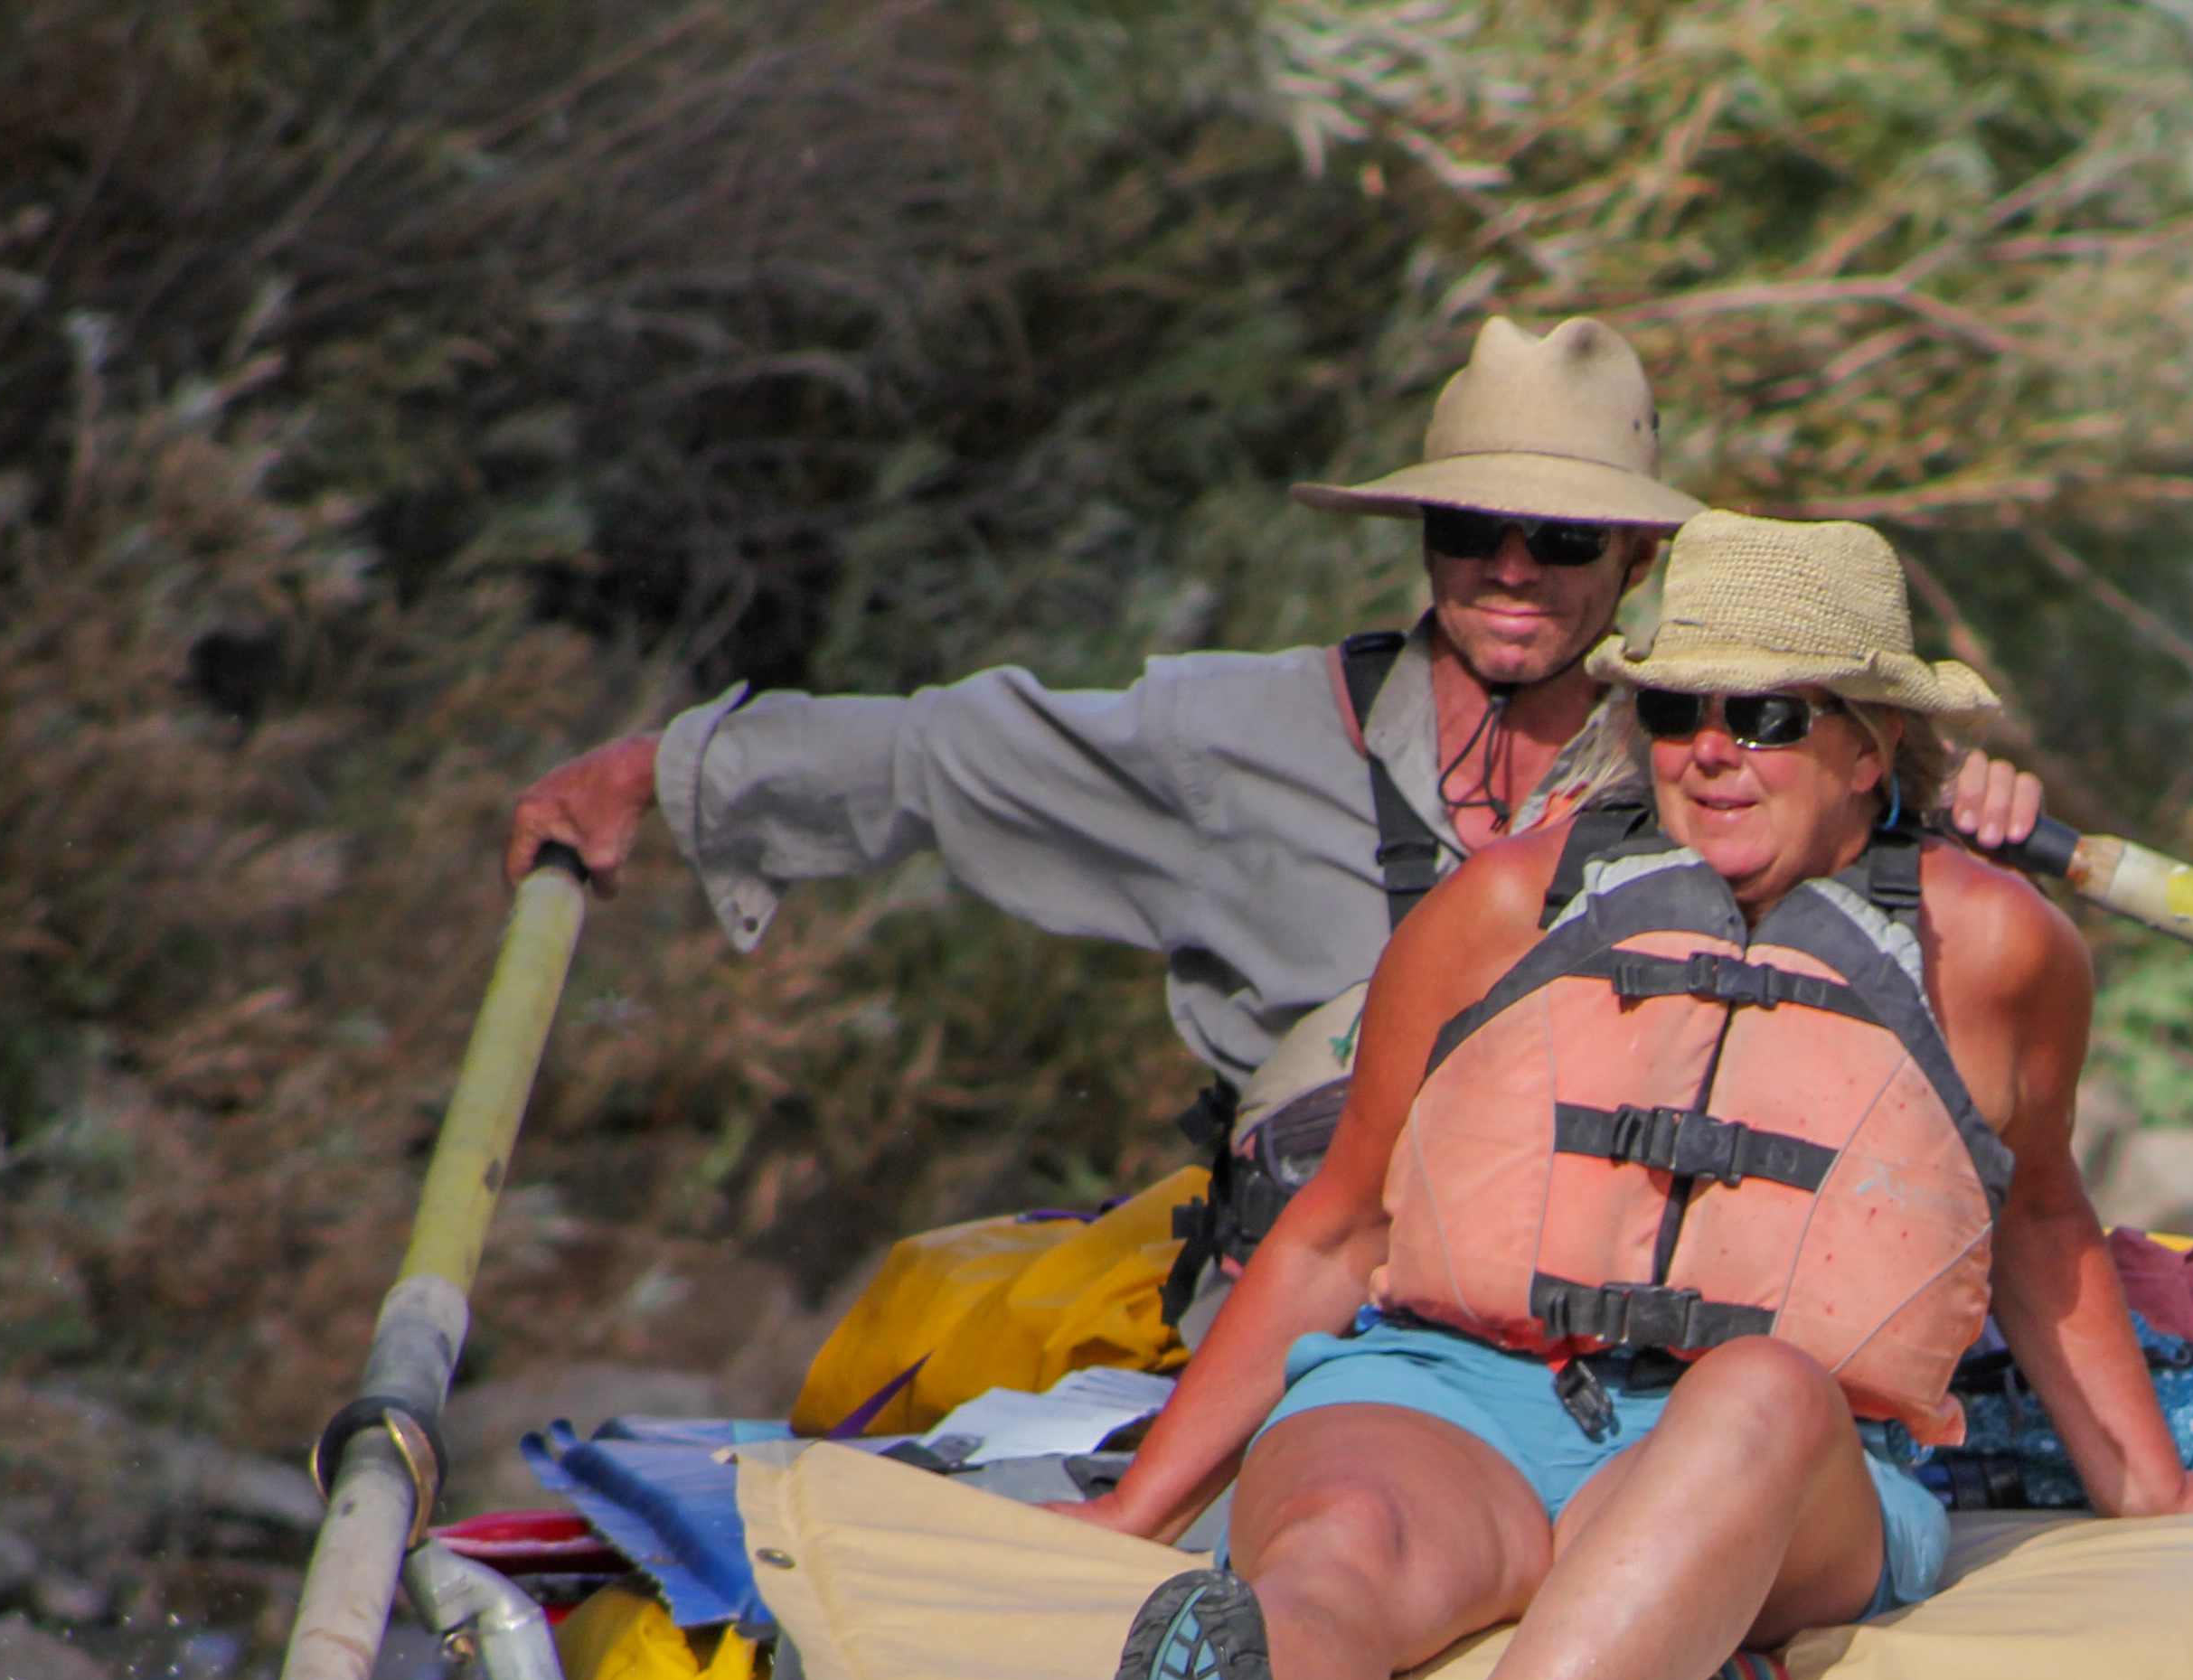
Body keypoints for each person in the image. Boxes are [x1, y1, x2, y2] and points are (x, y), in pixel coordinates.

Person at [1065, 515, 2193, 1680]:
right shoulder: (1505, 906)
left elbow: (2043, 1226)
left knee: (1760, 1388)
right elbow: (1341, 1224)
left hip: (1781, 1466)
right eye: (1675, 710)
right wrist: (1139, 1509)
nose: (1711, 750)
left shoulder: (1998, 949)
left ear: (1870, 747)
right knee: (1336, 1538)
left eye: (1763, 717)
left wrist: (2148, 1487)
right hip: (1460, 1389)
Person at [496, 315, 2041, 1248]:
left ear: (1635, 558)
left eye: (1561, 542)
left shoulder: (1710, 753)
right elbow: (947, 748)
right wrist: (666, 766)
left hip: (1615, 1285)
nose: (1509, 572)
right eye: (1468, 535)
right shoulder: (1228, 736)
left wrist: (1955, 808)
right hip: (1307, 1279)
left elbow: (1867, 837)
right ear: (1419, 538)